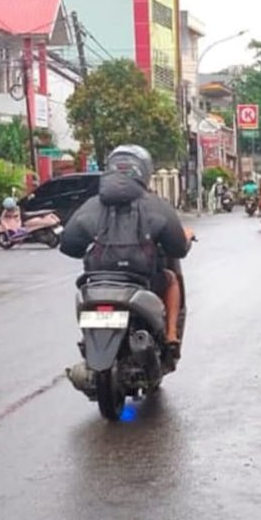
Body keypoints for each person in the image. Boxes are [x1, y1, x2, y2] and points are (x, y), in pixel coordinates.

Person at [60, 145, 194, 370]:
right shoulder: (157, 205)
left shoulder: (91, 205)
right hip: (142, 279)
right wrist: (186, 237)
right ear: (145, 172)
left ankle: (90, 341)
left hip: (97, 282)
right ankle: (171, 335)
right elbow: (177, 249)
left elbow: (70, 245)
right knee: (171, 279)